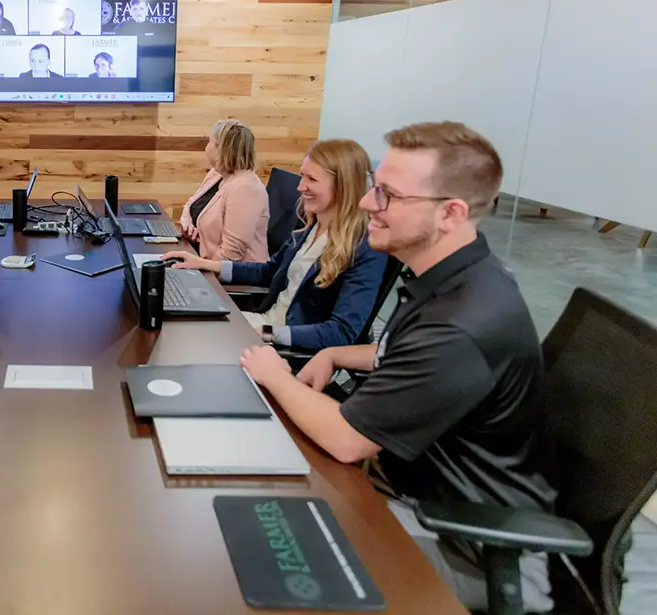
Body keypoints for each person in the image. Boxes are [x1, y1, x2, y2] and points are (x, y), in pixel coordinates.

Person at [236, 122, 555, 611]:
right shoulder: (453, 278)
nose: (366, 204)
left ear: (450, 213)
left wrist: (275, 374)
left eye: (386, 195)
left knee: (259, 555)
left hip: (464, 543)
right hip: (406, 493)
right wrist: (336, 352)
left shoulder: (460, 323)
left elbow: (347, 440)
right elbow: (394, 352)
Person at [167, 138, 386, 351]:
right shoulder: (312, 228)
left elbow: (342, 332)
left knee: (186, 339)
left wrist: (268, 333)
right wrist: (205, 264)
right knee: (178, 324)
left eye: (312, 179)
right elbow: (268, 271)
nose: (301, 187)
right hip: (263, 325)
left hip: (282, 341)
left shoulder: (365, 247)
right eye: (302, 177)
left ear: (343, 185)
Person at [175, 119, 270, 263]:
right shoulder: (217, 174)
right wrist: (188, 225)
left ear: (221, 149)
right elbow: (190, 204)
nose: (206, 147)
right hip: (203, 258)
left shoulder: (246, 189)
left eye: (210, 142)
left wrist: (200, 268)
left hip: (235, 277)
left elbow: (230, 254)